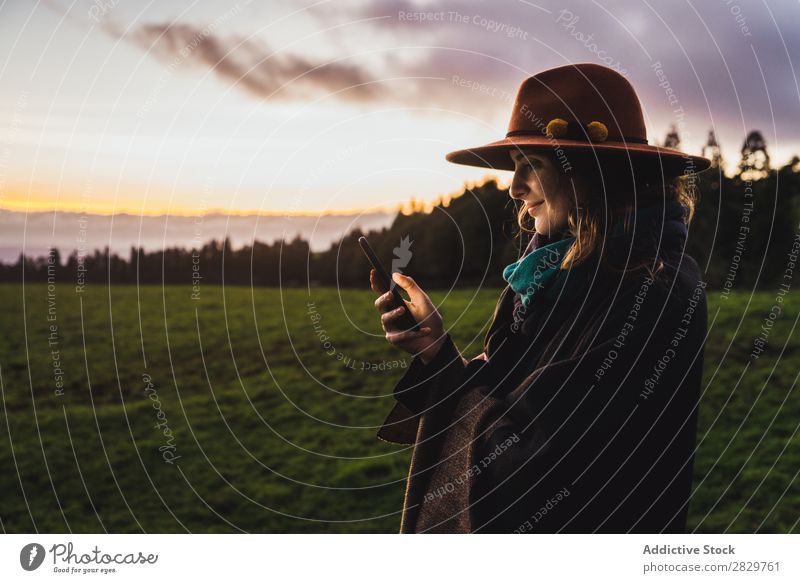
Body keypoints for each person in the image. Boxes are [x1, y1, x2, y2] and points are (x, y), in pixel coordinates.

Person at [371, 63, 712, 533]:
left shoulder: (651, 294)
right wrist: (434, 349)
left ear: (594, 173)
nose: (514, 188)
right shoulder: (546, 276)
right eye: (514, 166)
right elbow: (503, 395)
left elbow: (530, 467)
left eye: (532, 165)